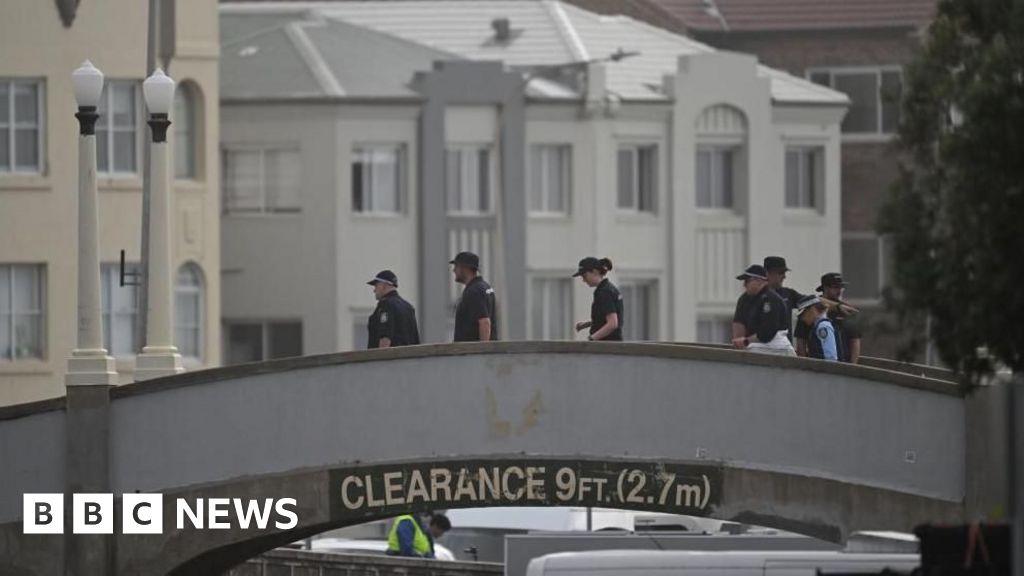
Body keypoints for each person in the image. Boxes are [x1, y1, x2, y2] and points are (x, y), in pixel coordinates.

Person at [794, 272, 862, 363]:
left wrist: (853, 366)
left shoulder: (846, 310)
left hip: (844, 364)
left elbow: (855, 340)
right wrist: (803, 364)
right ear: (825, 288)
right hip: (817, 363)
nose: (839, 291)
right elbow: (801, 340)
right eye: (835, 287)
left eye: (841, 288)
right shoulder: (812, 310)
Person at [731, 264, 796, 356]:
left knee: (751, 350)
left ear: (759, 280)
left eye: (747, 281)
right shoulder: (745, 299)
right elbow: (738, 322)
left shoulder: (770, 299)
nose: (744, 285)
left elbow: (767, 333)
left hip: (776, 345)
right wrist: (738, 343)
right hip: (759, 344)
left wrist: (745, 341)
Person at [572, 257, 624, 341]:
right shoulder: (608, 288)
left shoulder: (604, 292)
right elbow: (604, 319)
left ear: (595, 272)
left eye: (585, 276)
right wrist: (587, 324)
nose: (584, 280)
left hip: (607, 345)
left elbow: (612, 324)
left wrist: (591, 339)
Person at [450, 252, 498, 342]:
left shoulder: (475, 291)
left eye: (456, 266)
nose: (454, 270)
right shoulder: (485, 287)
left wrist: (482, 351)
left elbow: (484, 322)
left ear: (465, 268)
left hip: (472, 353)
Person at [366, 270, 420, 348]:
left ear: (383, 286)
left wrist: (381, 358)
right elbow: (415, 341)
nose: (374, 290)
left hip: (391, 359)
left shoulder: (386, 305)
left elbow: (385, 338)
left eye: (376, 286)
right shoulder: (408, 307)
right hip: (409, 358)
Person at [795, 294, 840, 362]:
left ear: (812, 309)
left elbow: (831, 357)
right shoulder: (818, 326)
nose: (802, 319)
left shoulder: (823, 326)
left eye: (803, 314)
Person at [386, 513, 451, 558]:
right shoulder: (406, 520)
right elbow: (407, 550)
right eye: (426, 515)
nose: (427, 518)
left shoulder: (422, 532)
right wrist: (422, 557)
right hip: (400, 562)